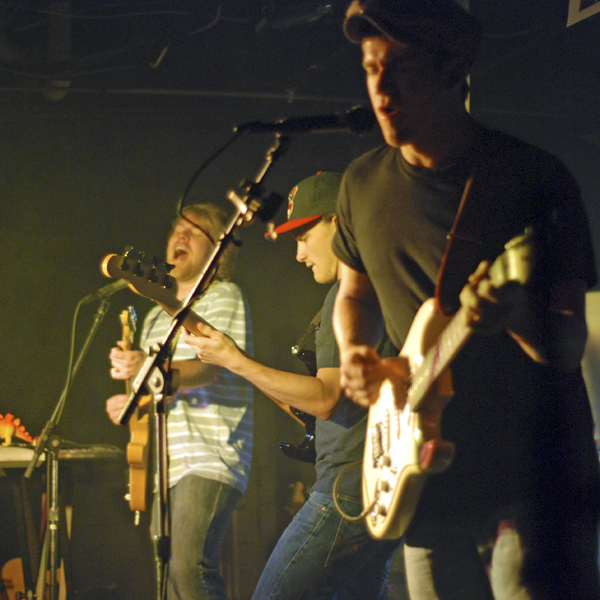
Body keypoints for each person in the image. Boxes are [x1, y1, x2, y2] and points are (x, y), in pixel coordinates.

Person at [331, 1, 600, 599]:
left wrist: (514, 317)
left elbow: (566, 346)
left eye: (399, 67)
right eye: (371, 68)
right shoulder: (361, 183)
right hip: (424, 476)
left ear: (454, 71)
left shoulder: (534, 179)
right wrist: (356, 351)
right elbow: (354, 292)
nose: (380, 86)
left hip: (531, 476)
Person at [182, 172, 406, 600]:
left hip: (347, 488)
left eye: (304, 236)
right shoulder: (378, 288)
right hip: (378, 483)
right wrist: (237, 364)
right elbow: (328, 405)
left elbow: (324, 399)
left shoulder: (350, 298)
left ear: (339, 223)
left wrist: (235, 359)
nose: (299, 254)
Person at [105, 203, 253, 600]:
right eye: (176, 230)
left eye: (195, 231)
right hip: (166, 467)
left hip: (210, 457)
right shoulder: (155, 318)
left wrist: (146, 368)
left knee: (190, 569)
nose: (180, 237)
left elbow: (208, 367)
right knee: (169, 578)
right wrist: (130, 402)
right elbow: (153, 387)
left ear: (218, 251)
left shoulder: (223, 296)